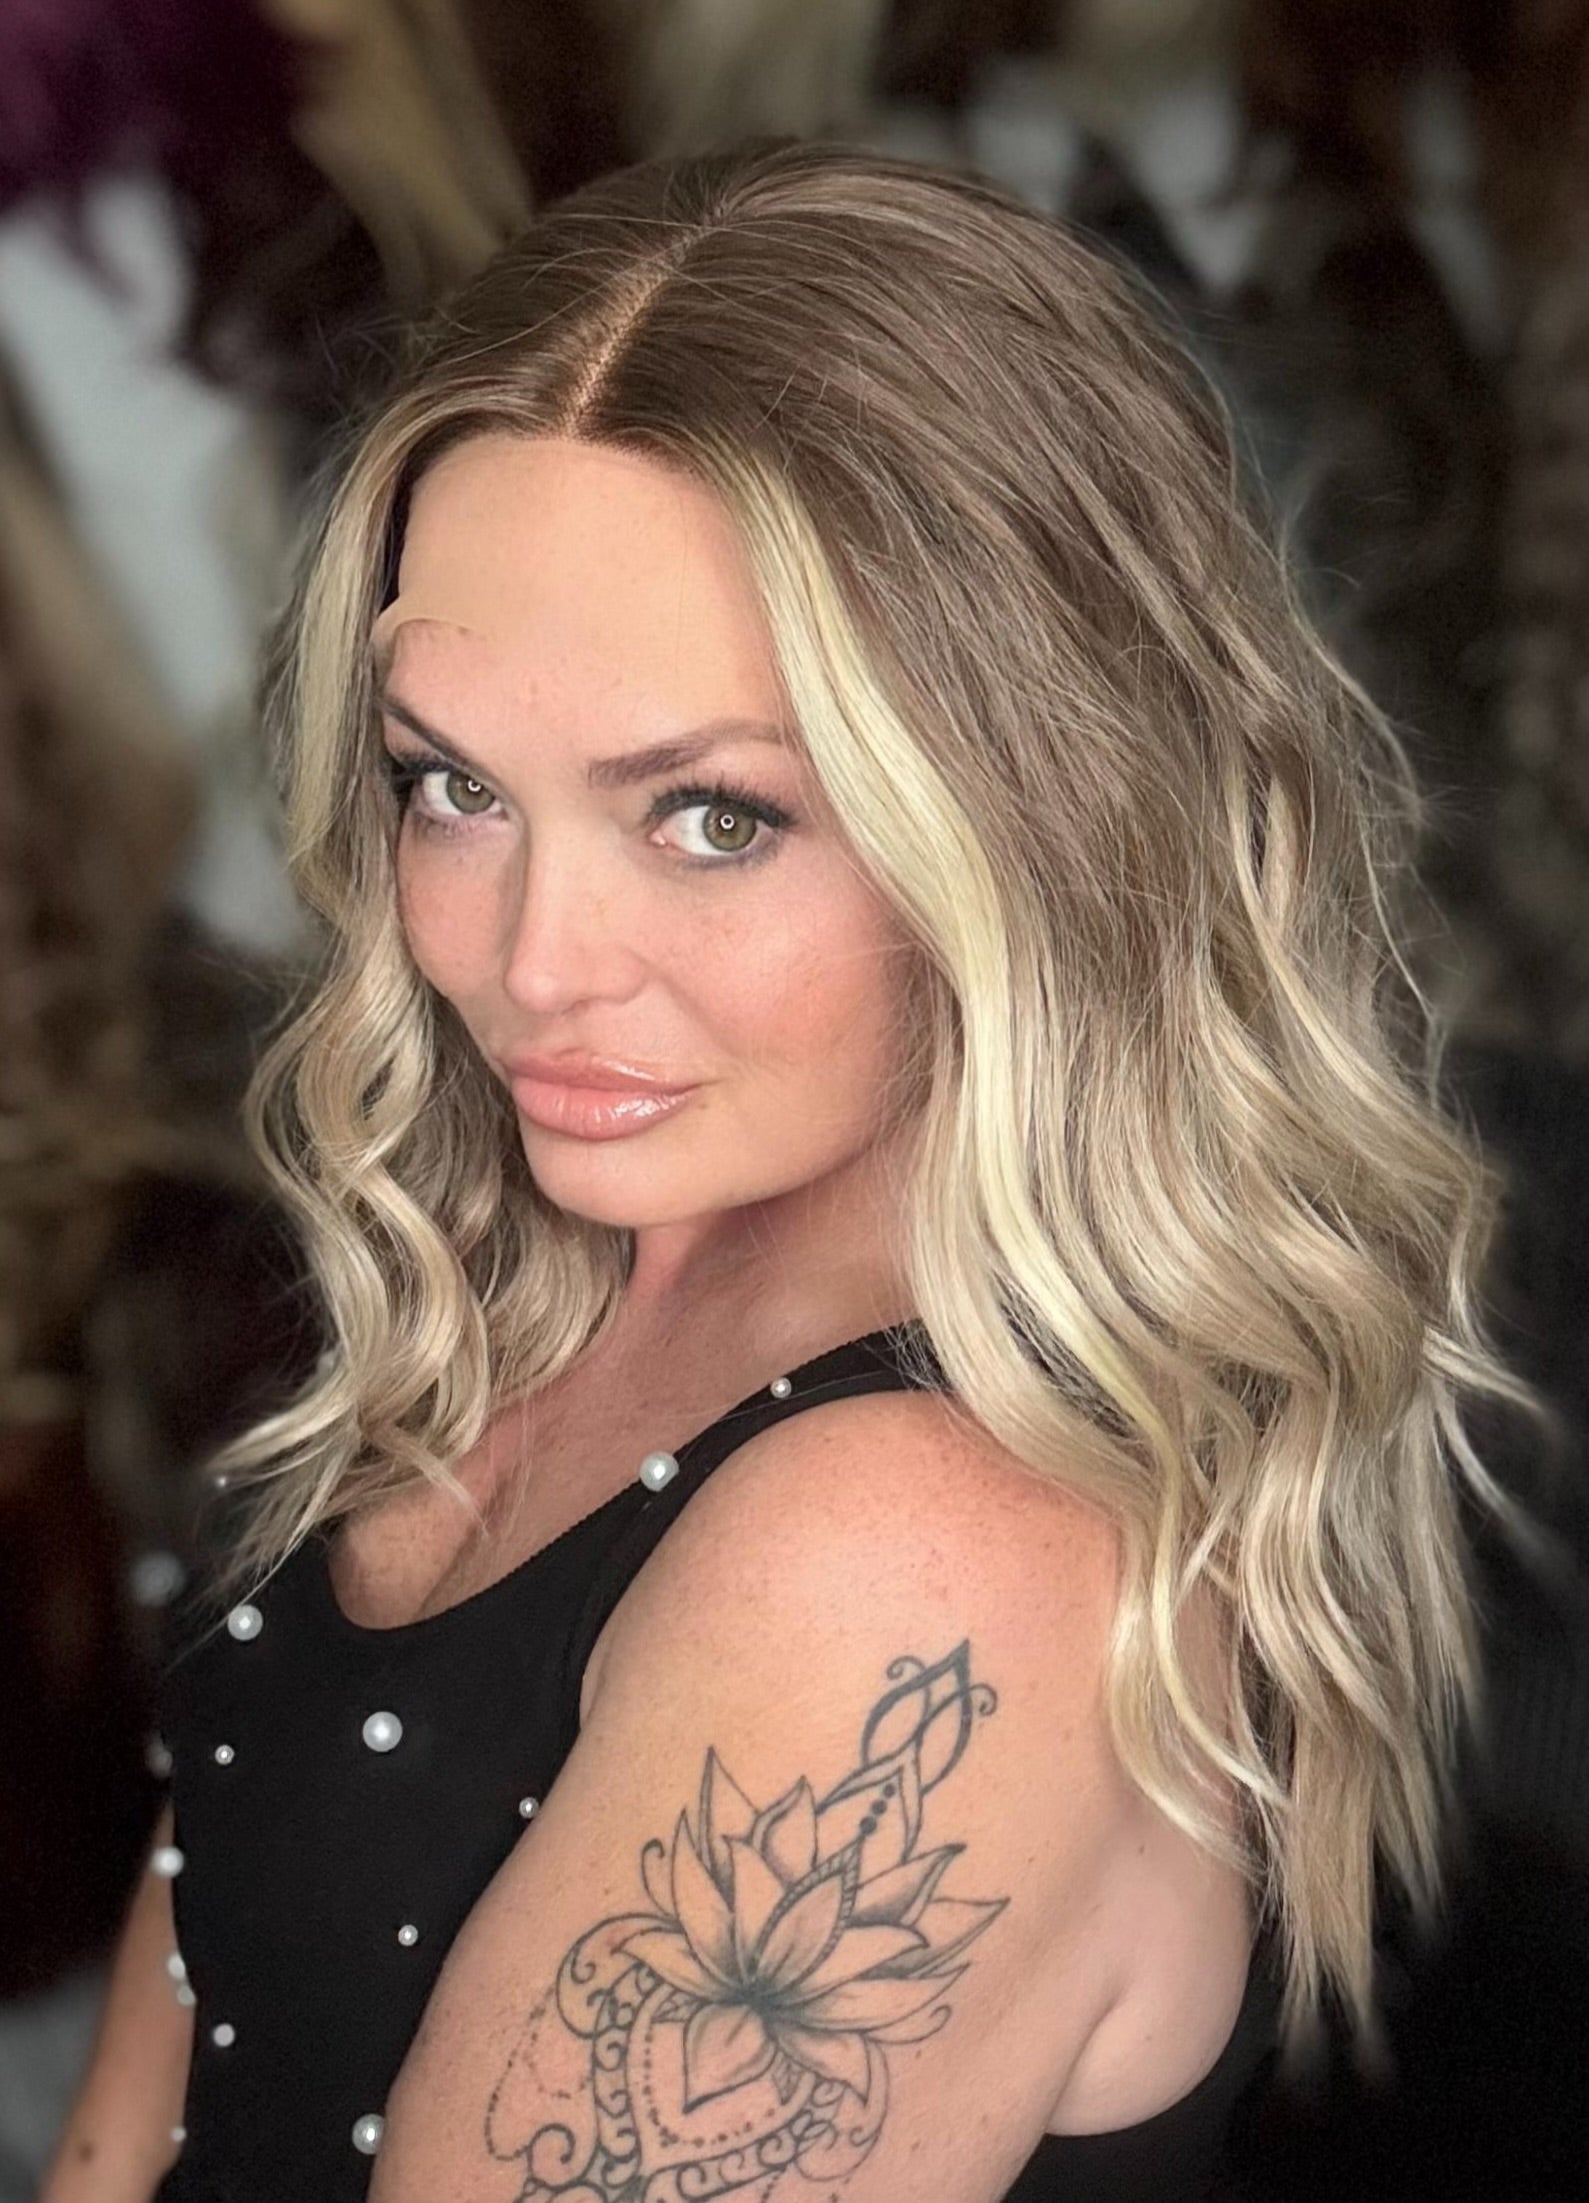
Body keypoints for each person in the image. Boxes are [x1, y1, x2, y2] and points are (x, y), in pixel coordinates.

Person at [42, 136, 1550, 2203]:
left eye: (712, 817)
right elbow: (156, 2083)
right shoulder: (557, 1260)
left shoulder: (920, 1569)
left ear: (1035, 821)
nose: (529, 963)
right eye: (452, 786)